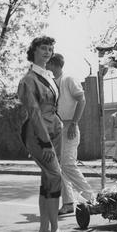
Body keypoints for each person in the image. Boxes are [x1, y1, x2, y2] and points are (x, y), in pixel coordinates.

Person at [17, 36, 66, 232]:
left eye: (50, 49)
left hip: (56, 131)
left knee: (48, 179)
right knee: (56, 176)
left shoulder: (49, 76)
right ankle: (55, 229)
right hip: (39, 135)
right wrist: (45, 142)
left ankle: (44, 228)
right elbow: (35, 114)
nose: (47, 52)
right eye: (43, 48)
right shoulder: (28, 80)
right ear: (34, 51)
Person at [46, 53, 95, 215]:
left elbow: (82, 100)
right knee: (60, 168)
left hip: (69, 127)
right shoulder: (53, 83)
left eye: (48, 62)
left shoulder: (68, 79)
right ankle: (67, 203)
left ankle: (91, 197)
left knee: (68, 164)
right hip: (58, 129)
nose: (46, 65)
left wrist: (74, 123)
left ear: (53, 64)